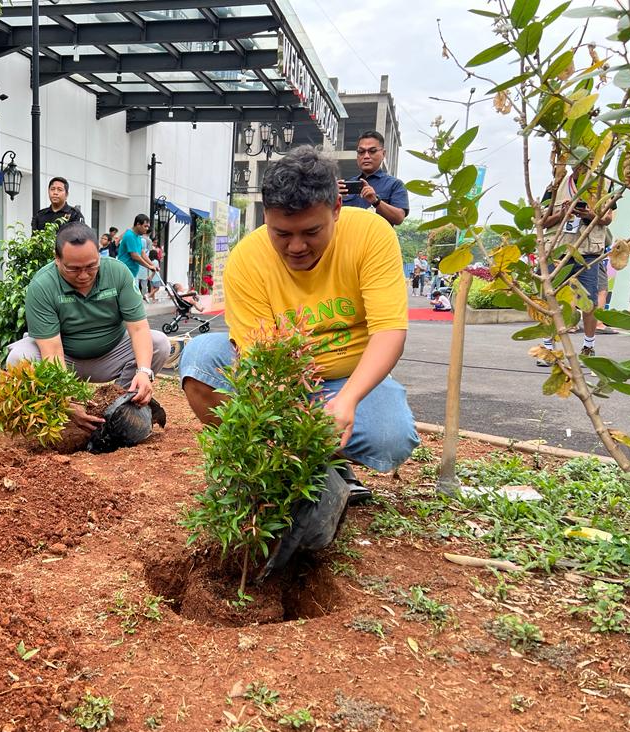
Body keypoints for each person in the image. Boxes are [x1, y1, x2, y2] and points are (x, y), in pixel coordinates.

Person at [179, 146, 419, 499]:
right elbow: (258, 359)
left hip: (346, 377)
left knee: (390, 437)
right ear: (266, 218)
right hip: (281, 376)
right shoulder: (247, 259)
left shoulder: (371, 235)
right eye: (282, 234)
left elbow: (389, 331)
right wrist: (286, 420)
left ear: (336, 209)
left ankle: (330, 466)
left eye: (310, 232)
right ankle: (268, 466)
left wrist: (347, 400)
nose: (295, 247)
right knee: (199, 357)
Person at [6, 222, 171, 432]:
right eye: (73, 269)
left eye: (91, 266)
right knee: (18, 358)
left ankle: (119, 406)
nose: (84, 276)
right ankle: (57, 417)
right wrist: (66, 399)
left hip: (111, 353)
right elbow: (52, 350)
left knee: (159, 343)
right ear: (57, 260)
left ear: (99, 256)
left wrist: (144, 372)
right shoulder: (42, 286)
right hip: (64, 355)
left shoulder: (118, 273)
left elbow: (138, 328)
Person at [536, 163, 616, 366]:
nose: (580, 164)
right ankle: (548, 347)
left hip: (587, 252)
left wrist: (589, 215)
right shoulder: (556, 184)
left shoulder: (604, 183)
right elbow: (541, 221)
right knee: (551, 300)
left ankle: (588, 346)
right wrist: (562, 215)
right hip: (557, 250)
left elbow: (607, 219)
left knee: (588, 303)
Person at [339, 130, 409, 226]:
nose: (366, 156)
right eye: (361, 152)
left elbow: (399, 218)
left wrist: (375, 201)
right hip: (347, 239)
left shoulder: (395, 184)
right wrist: (331, 197)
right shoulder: (345, 185)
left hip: (377, 240)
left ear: (383, 154)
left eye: (372, 151)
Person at [117, 214, 158, 287]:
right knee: (131, 298)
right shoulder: (130, 235)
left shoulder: (138, 237)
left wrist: (152, 265)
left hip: (133, 273)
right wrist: (149, 266)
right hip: (125, 273)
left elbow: (142, 253)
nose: (147, 229)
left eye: (148, 226)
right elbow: (135, 256)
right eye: (145, 226)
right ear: (138, 224)